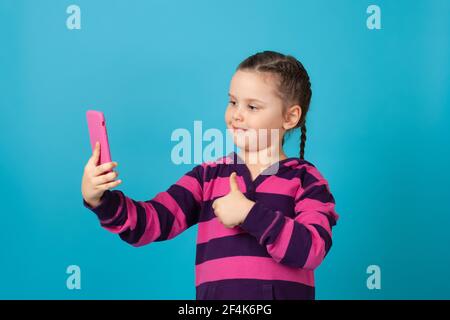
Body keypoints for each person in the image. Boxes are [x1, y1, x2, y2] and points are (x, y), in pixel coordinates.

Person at [81, 50, 339, 300]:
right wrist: (100, 199)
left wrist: (250, 214)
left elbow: (312, 250)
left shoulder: (307, 181)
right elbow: (153, 222)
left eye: (252, 106)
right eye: (233, 101)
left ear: (290, 116)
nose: (236, 114)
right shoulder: (207, 177)